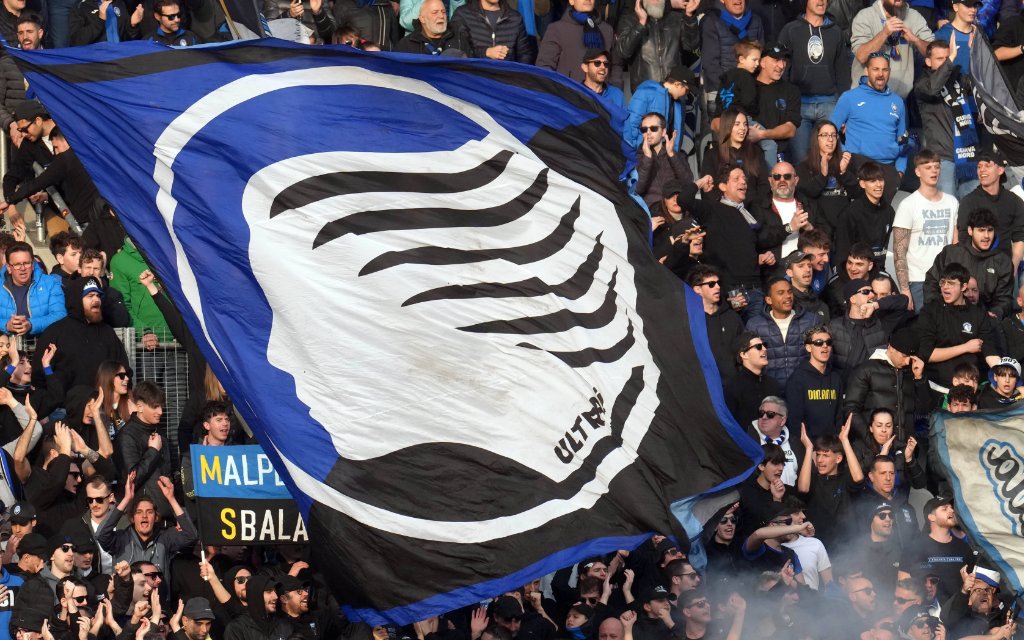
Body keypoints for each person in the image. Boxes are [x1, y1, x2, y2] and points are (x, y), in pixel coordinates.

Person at [680, 164, 784, 307]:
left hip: (755, 288)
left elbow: (746, 246)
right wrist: (702, 181)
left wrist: (760, 258)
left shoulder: (747, 214)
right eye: (736, 179)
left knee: (758, 322)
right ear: (723, 186)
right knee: (736, 322)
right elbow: (684, 199)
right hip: (731, 290)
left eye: (744, 179)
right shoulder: (712, 209)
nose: (743, 182)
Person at [832, 53, 908, 203]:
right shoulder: (849, 98)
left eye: (885, 70)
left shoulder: (897, 102)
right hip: (858, 165)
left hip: (887, 168)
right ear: (866, 71)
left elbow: (903, 141)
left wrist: (900, 171)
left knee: (883, 215)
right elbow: (830, 130)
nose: (880, 74)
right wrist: (845, 154)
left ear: (889, 72)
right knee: (858, 213)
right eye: (876, 69)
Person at [778, 0, 847, 164]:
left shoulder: (836, 32)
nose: (821, 1)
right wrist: (784, 103)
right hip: (799, 104)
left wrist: (845, 111)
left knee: (830, 158)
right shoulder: (790, 30)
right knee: (801, 159)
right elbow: (782, 69)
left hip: (829, 102)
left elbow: (842, 72)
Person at [32, 277, 132, 391]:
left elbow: (124, 370)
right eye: (90, 296)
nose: (96, 300)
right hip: (65, 402)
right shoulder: (54, 332)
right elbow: (39, 376)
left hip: (104, 400)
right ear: (77, 299)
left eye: (98, 295)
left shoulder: (108, 333)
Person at [892, 149, 959, 311]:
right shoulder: (908, 205)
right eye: (928, 167)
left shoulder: (952, 202)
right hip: (918, 280)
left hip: (946, 280)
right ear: (917, 172)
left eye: (936, 167)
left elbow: (955, 244)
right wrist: (905, 289)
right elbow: (899, 250)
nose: (934, 171)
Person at [914, 41, 981, 199]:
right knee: (947, 206)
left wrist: (976, 52)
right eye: (940, 59)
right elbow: (933, 88)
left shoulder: (958, 80)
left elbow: (980, 82)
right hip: (942, 158)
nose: (946, 63)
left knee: (972, 206)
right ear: (928, 61)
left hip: (968, 155)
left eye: (947, 58)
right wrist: (951, 59)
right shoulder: (922, 84)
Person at [918, 262, 1000, 390]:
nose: (945, 287)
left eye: (951, 283)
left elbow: (990, 350)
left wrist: (1002, 374)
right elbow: (926, 354)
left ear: (963, 286)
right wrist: (965, 347)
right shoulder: (930, 311)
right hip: (937, 386)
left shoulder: (978, 314)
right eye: (943, 282)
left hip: (969, 388)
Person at [95, 470, 197, 571]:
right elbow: (101, 535)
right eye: (139, 512)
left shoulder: (165, 538)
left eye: (149, 512)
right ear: (132, 518)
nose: (144, 516)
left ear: (156, 517)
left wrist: (171, 498)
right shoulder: (121, 540)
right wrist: (126, 499)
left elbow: (191, 535)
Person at [926, 208, 1014, 319]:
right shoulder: (950, 253)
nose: (986, 236)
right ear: (970, 231)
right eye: (981, 230)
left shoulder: (1003, 261)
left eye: (990, 230)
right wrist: (937, 310)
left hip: (984, 319)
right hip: (948, 317)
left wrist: (995, 313)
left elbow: (1004, 298)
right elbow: (932, 283)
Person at [844, 327, 931, 438]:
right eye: (904, 356)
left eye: (910, 357)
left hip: (906, 445)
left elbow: (925, 409)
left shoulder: (913, 371)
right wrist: (869, 439)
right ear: (891, 348)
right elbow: (851, 409)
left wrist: (919, 379)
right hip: (873, 445)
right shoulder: (866, 370)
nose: (907, 362)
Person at [954, 149, 1024, 275]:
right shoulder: (968, 201)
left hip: (1005, 270)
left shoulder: (1014, 201)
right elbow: (963, 239)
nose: (982, 170)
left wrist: (1012, 269)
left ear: (1000, 170)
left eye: (988, 165)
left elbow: (1019, 238)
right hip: (976, 272)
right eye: (979, 166)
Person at [849, 0, 934, 99]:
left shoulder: (914, 16)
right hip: (866, 98)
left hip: (899, 99)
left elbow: (933, 53)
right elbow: (861, 56)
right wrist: (884, 33)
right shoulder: (865, 16)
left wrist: (915, 40)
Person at [745, 277, 819, 386]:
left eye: (790, 292)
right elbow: (748, 362)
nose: (788, 296)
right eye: (781, 293)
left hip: (804, 387)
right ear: (769, 300)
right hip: (769, 389)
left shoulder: (810, 320)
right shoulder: (755, 325)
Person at [898, 496, 972, 603]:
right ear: (931, 517)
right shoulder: (915, 547)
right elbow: (904, 584)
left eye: (952, 508)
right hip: (926, 609)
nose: (952, 511)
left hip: (958, 610)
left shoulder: (964, 547)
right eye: (945, 509)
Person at [614, 0, 699, 89]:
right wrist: (640, 24)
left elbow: (691, 45)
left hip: (673, 89)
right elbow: (623, 52)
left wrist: (689, 17)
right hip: (645, 90)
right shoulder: (629, 20)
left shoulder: (676, 18)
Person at [694, 0, 765, 107]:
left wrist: (752, 86)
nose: (738, 1)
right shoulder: (711, 21)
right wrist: (728, 88)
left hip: (750, 90)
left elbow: (761, 55)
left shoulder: (756, 20)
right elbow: (710, 63)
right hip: (721, 91)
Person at [833, 162, 897, 275]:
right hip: (854, 273)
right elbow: (842, 252)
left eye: (881, 180)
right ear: (862, 184)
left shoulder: (889, 211)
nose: (878, 185)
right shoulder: (850, 213)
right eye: (872, 181)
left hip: (879, 272)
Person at [535, 0, 618, 85]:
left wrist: (615, 89)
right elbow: (544, 67)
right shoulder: (556, 30)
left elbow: (616, 66)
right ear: (571, 1)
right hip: (568, 91)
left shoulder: (607, 30)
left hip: (601, 92)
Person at [796, 120, 858, 232]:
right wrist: (822, 176)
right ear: (816, 138)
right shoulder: (804, 167)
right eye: (825, 135)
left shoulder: (845, 163)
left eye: (833, 135)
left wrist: (844, 173)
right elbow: (807, 194)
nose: (830, 139)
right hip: (818, 230)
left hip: (844, 228)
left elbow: (857, 194)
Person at [687, 265, 744, 384]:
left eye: (718, 283)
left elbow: (743, 350)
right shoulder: (689, 321)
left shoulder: (732, 317)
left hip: (734, 384)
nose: (717, 287)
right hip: (704, 386)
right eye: (711, 284)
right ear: (697, 289)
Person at [749, 42, 801, 168]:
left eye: (784, 61)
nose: (781, 66)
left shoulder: (791, 91)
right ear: (762, 63)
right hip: (749, 154)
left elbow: (790, 129)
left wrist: (762, 134)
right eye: (776, 60)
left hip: (780, 157)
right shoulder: (747, 87)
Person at [700, 108, 769, 203]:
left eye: (745, 124)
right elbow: (708, 189)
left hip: (753, 208)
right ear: (726, 126)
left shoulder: (756, 152)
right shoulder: (712, 155)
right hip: (722, 208)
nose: (743, 128)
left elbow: (764, 185)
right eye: (737, 124)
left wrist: (756, 207)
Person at [786, 326, 844, 437]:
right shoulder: (797, 379)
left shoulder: (836, 378)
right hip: (807, 445)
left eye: (828, 342)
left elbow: (839, 417)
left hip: (832, 444)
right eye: (818, 342)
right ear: (808, 347)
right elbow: (794, 420)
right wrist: (807, 446)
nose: (825, 346)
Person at [851, 408, 925, 493]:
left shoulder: (901, 447)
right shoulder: (859, 447)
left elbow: (920, 484)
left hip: (899, 499)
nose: (884, 430)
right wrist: (881, 457)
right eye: (879, 426)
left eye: (888, 426)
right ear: (871, 428)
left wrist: (909, 460)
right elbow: (855, 484)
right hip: (868, 499)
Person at [0, 242, 65, 337]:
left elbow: (60, 315)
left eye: (26, 263)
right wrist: (6, 325)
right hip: (7, 344)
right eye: (17, 264)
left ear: (33, 264)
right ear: (9, 268)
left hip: (44, 341)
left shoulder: (51, 283)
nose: (22, 268)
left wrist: (31, 324)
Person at [625, 66, 695, 154]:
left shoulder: (677, 103)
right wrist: (639, 150)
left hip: (664, 156)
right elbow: (631, 125)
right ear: (677, 84)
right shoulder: (646, 92)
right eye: (687, 90)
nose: (686, 94)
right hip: (643, 154)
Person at [828, 279, 891, 377]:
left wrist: (875, 305)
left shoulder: (880, 323)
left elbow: (903, 300)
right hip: (842, 382)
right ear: (852, 299)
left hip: (871, 382)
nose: (872, 295)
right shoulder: (835, 326)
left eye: (872, 291)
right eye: (865, 292)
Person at [724, 332, 782, 437]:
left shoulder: (774, 385)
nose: (764, 349)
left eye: (764, 345)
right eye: (758, 347)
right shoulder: (732, 387)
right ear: (744, 354)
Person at [635, 112, 693, 206]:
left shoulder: (677, 156)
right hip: (649, 210)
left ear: (663, 132)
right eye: (644, 129)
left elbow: (688, 184)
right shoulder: (636, 157)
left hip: (673, 209)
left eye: (654, 128)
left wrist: (671, 155)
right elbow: (636, 189)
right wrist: (647, 158)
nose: (648, 133)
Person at [451, 0, 534, 63]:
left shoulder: (515, 17)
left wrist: (516, 76)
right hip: (474, 77)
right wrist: (485, 53)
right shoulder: (463, 14)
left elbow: (525, 54)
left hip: (506, 77)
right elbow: (456, 52)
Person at [749, 397, 802, 486]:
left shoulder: (796, 443)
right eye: (761, 413)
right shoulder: (748, 442)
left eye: (770, 414)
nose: (764, 417)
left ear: (783, 420)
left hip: (791, 493)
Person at [224, 575, 291, 640]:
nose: (275, 596)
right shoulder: (236, 629)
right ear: (256, 595)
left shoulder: (284, 625)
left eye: (275, 591)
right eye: (269, 591)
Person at [396, 0, 471, 55]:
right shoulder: (405, 45)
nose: (441, 16)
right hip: (416, 41)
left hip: (450, 36)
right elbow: (406, 21)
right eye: (435, 12)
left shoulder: (460, 40)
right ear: (422, 18)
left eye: (443, 12)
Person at [68, 0, 143, 44]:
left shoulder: (119, 3)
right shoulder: (82, 5)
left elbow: (128, 41)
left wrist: (132, 26)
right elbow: (76, 41)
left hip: (120, 58)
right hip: (95, 60)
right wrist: (100, 20)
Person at [784, 250, 829, 322]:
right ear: (790, 272)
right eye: (801, 266)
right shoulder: (784, 305)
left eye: (809, 266)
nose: (808, 270)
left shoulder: (822, 306)